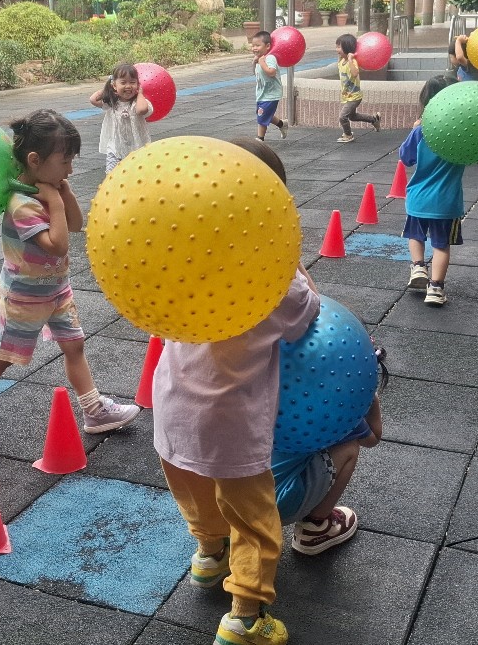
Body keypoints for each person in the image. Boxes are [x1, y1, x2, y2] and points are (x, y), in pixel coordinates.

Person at [154, 137, 320, 645]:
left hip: (172, 404)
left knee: (195, 491)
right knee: (253, 520)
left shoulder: (176, 257)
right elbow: (306, 314)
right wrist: (294, 263)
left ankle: (208, 555)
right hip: (231, 419)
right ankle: (246, 616)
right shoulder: (271, 279)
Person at [0, 109, 140, 449]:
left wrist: (64, 195)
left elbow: (75, 225)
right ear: (35, 160)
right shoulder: (21, 204)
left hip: (56, 291)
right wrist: (54, 201)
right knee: (4, 356)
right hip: (23, 297)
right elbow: (57, 245)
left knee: (74, 345)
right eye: (65, 162)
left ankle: (93, 410)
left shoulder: (49, 191)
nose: (70, 170)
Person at [271, 348, 385, 555]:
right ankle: (315, 527)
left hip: (233, 498)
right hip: (279, 503)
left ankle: (218, 543)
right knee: (348, 447)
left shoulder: (269, 390)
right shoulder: (336, 406)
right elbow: (373, 439)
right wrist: (371, 397)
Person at [400, 75, 465, 306]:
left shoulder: (421, 131)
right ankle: (436, 288)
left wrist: (414, 130)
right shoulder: (462, 133)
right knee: (441, 245)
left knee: (415, 235)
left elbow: (406, 158)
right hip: (446, 203)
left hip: (418, 198)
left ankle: (418, 267)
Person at [89, 62, 153, 173]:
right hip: (115, 149)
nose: (128, 86)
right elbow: (93, 99)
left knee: (137, 175)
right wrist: (108, 88)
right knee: (112, 176)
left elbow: (141, 110)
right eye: (123, 82)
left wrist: (140, 93)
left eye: (132, 82)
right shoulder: (112, 103)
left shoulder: (138, 102)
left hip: (137, 148)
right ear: (114, 85)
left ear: (138, 85)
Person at [334, 33, 382, 144]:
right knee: (353, 117)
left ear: (347, 48)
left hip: (355, 97)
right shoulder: (341, 61)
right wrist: (344, 56)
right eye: (336, 46)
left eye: (339, 47)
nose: (336, 49)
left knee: (342, 117)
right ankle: (374, 119)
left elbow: (355, 73)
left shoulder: (352, 61)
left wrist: (351, 59)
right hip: (348, 96)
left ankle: (348, 135)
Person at [249, 31, 290, 141]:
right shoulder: (259, 58)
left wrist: (262, 63)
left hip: (271, 94)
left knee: (262, 115)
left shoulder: (270, 58)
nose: (254, 48)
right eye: (253, 45)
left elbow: (272, 72)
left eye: (257, 45)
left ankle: (260, 139)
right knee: (265, 114)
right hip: (262, 93)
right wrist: (254, 63)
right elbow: (256, 74)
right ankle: (282, 124)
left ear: (267, 46)